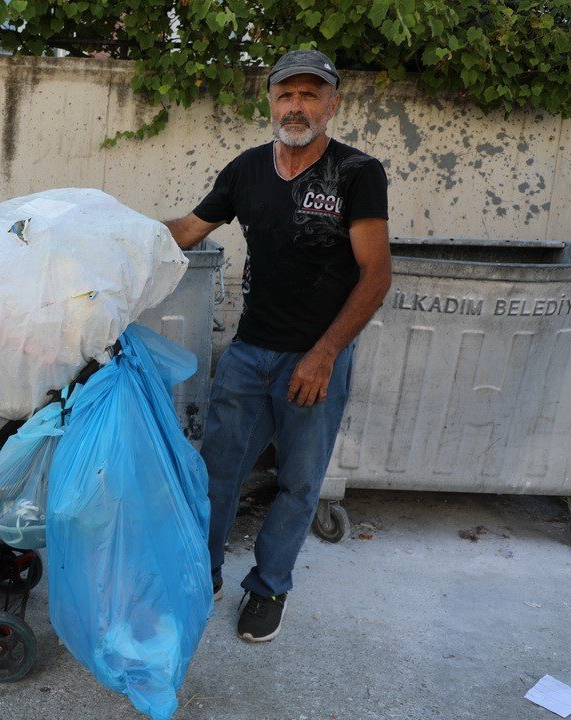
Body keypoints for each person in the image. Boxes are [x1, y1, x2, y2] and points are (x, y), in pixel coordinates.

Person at [166, 49, 392, 643]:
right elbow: (186, 231)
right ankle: (204, 574)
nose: (296, 106)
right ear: (269, 101)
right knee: (215, 476)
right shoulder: (245, 170)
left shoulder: (357, 173)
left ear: (332, 104)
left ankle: (268, 587)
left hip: (316, 359)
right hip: (248, 354)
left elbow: (376, 276)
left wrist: (323, 355)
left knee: (297, 483)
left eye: (309, 95)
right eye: (286, 94)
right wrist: (108, 233)